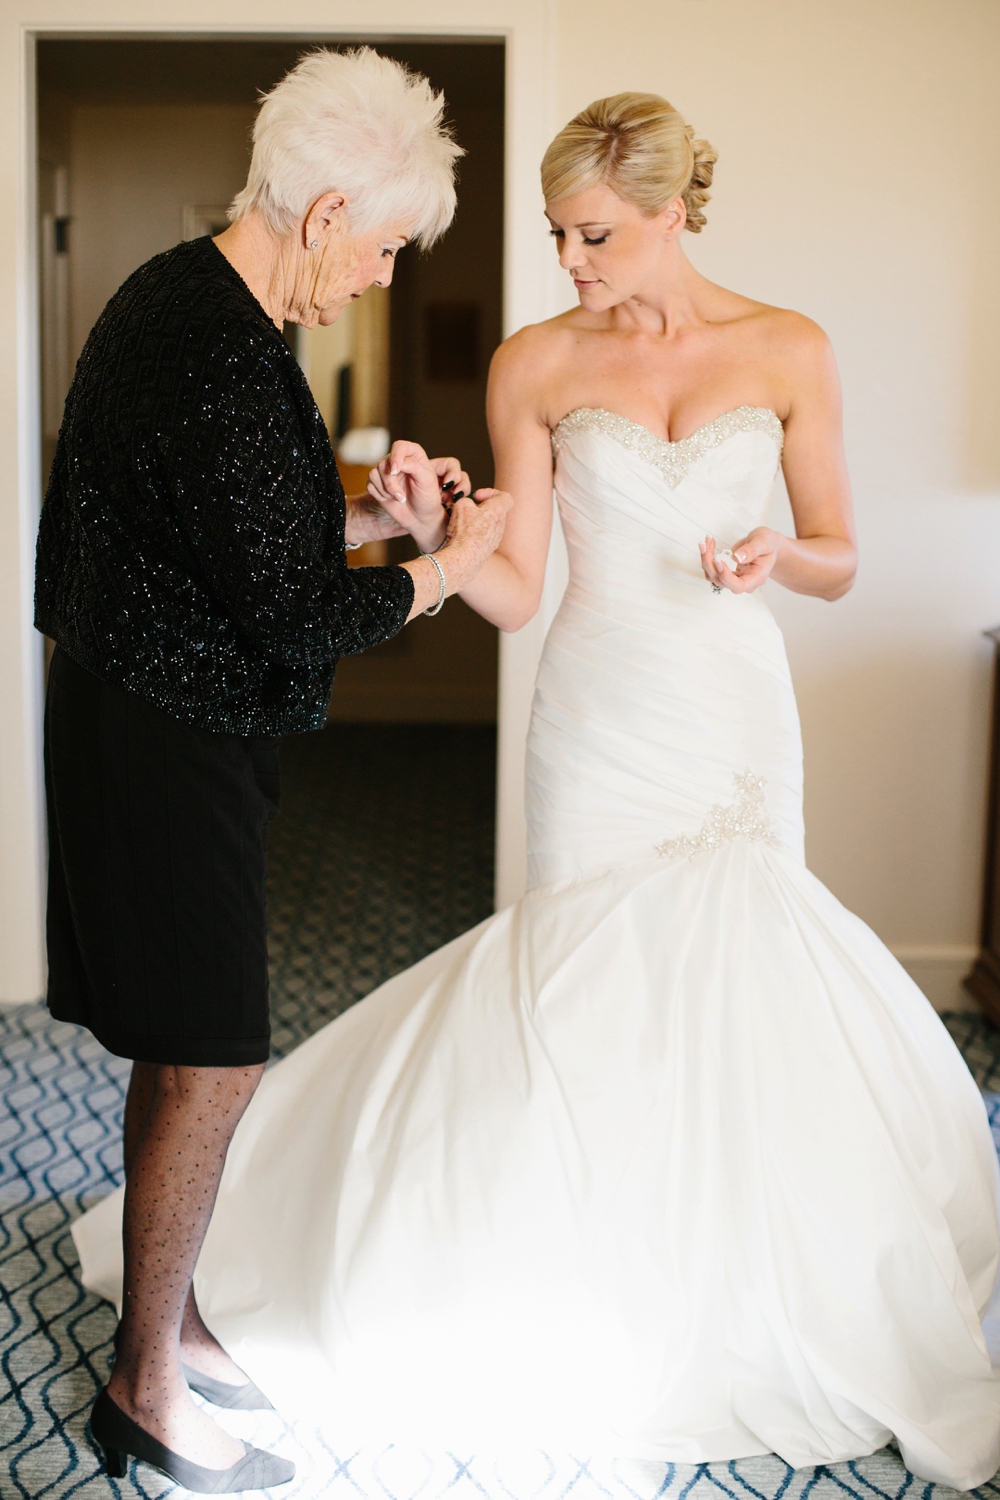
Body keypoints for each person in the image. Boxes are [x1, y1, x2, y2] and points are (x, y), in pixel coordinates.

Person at [74, 93, 1000, 1487]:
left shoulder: (790, 348)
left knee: (741, 987)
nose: (569, 258)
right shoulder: (532, 364)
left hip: (735, 715)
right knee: (585, 1000)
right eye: (560, 232)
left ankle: (725, 1287)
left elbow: (843, 551)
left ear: (673, 210)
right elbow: (513, 591)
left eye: (595, 233)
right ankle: (573, 1287)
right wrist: (443, 539)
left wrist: (775, 555)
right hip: (599, 720)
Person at [38, 48, 509, 1494]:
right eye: (374, 245)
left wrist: (369, 516)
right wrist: (446, 570)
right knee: (219, 1053)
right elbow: (294, 614)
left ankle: (163, 1316)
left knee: (189, 1040)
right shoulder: (218, 345)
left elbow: (245, 551)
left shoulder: (197, 306)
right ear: (321, 215)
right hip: (164, 732)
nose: (373, 276)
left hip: (157, 712)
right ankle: (145, 1391)